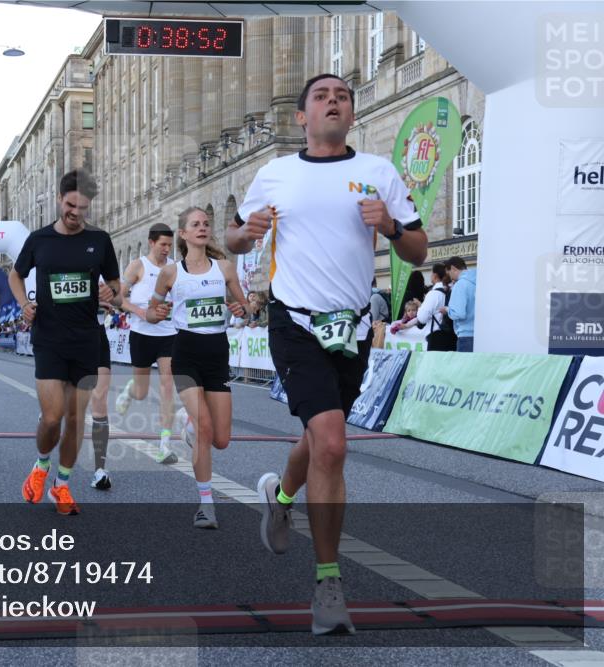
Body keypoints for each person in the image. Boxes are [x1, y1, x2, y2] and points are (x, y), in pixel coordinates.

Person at [227, 73, 427, 635]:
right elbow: (235, 237)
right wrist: (249, 232)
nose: (333, 102)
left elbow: (418, 245)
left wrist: (388, 226)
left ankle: (281, 495)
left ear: (352, 114)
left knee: (320, 438)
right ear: (302, 117)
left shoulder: (377, 173)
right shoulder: (275, 174)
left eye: (342, 96)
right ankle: (329, 584)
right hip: (294, 324)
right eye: (322, 96)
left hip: (354, 329)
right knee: (334, 442)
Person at [8, 169, 122, 516]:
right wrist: (25, 304)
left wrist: (111, 292)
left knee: (76, 418)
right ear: (60, 200)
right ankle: (41, 466)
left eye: (82, 207)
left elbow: (116, 287)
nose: (75, 213)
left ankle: (62, 485)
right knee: (52, 417)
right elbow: (15, 274)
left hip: (86, 340)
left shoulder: (100, 240)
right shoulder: (39, 240)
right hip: (50, 339)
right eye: (70, 205)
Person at [147, 207, 249, 530]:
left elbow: (246, 311)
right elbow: (151, 312)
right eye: (195, 224)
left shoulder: (225, 269)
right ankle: (206, 504)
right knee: (206, 428)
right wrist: (157, 311)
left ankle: (188, 426)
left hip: (217, 353)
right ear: (184, 234)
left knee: (221, 439)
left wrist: (240, 310)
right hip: (186, 353)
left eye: (206, 224)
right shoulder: (171, 273)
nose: (202, 228)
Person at [114, 222, 179, 465]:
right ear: (151, 242)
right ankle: (130, 391)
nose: (166, 249)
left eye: (169, 245)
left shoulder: (174, 268)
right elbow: (118, 297)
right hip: (142, 334)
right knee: (141, 392)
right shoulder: (138, 266)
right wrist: (140, 313)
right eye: (162, 244)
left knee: (167, 387)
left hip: (168, 333)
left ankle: (165, 445)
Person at [89, 302, 114, 490]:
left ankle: (100, 470)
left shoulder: (103, 274)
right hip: (65, 335)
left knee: (99, 399)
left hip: (96, 335)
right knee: (59, 409)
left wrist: (114, 298)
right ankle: (44, 463)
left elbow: (120, 297)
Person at [416, 263, 457, 351]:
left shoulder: (433, 294)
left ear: (434, 275)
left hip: (436, 338)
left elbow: (422, 318)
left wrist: (420, 306)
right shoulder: (453, 290)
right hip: (453, 336)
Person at [444, 256, 476, 352]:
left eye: (449, 273)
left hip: (465, 335)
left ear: (453, 268)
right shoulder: (477, 281)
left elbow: (459, 313)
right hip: (479, 334)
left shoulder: (460, 284)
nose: (449, 277)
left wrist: (447, 310)